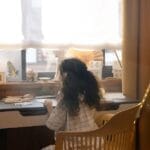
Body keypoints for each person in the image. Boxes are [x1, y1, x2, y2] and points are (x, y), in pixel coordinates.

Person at [42, 58, 102, 150]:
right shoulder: (90, 94)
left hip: (71, 147)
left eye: (60, 74)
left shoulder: (66, 98)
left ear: (65, 76)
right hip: (95, 145)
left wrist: (49, 106)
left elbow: (53, 125)